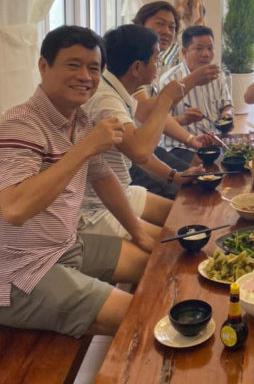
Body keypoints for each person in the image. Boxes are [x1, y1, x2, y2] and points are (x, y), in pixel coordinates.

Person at [0, 26, 155, 337]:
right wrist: (85, 148)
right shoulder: (21, 124)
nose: (85, 76)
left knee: (155, 266)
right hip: (19, 269)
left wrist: (139, 233)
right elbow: (14, 209)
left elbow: (104, 178)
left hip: (66, 245)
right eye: (73, 65)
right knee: (142, 319)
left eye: (93, 68)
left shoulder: (79, 120)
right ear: (44, 66)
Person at [79, 25, 200, 237]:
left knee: (189, 217)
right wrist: (166, 100)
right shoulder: (106, 99)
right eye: (155, 60)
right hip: (96, 208)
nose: (158, 66)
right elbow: (140, 151)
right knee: (176, 241)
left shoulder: (116, 89)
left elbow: (135, 149)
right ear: (136, 67)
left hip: (121, 191)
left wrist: (175, 176)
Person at [130, 2, 220, 196]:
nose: (166, 31)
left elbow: (159, 111)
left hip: (150, 148)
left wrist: (190, 139)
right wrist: (191, 80)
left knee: (199, 179)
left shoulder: (157, 61)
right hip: (130, 155)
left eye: (171, 27)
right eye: (160, 24)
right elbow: (144, 112)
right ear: (141, 23)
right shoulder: (134, 59)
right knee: (191, 191)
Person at [160, 25, 233, 164]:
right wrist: (183, 119)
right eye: (199, 48)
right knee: (203, 166)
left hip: (214, 142)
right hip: (180, 146)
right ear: (184, 52)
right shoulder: (168, 80)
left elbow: (227, 105)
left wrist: (227, 115)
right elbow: (159, 123)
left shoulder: (218, 75)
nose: (206, 54)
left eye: (210, 48)